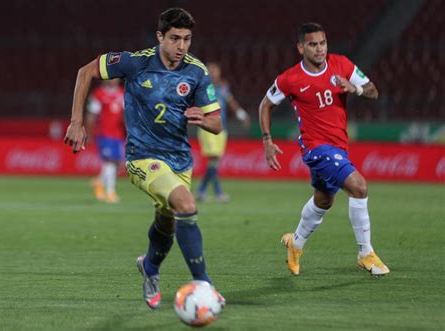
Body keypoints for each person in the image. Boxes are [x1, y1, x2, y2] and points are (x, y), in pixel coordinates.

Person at [64, 8, 226, 308]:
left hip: (180, 161)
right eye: (175, 38)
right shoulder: (135, 63)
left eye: (187, 39)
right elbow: (85, 72)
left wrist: (203, 118)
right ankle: (204, 285)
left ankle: (150, 268)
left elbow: (217, 124)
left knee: (166, 224)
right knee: (186, 205)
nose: (182, 46)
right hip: (142, 158)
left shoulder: (196, 72)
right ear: (160, 37)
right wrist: (76, 121)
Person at [258, 22, 389, 276]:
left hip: (339, 145)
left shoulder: (342, 65)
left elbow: (374, 91)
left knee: (323, 200)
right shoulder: (290, 78)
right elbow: (265, 104)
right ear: (300, 47)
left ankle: (295, 244)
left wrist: (356, 89)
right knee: (359, 187)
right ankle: (366, 254)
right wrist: (267, 140)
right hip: (315, 148)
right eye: (312, 44)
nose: (319, 49)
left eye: (323, 43)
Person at [196, 62, 250, 203]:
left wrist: (241, 114)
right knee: (213, 159)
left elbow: (231, 102)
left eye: (215, 70)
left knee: (214, 162)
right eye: (211, 70)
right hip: (208, 128)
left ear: (219, 72)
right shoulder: (202, 87)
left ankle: (201, 191)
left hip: (222, 129)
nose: (213, 73)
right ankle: (218, 193)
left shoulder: (223, 87)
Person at [85, 79, 125, 203]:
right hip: (104, 133)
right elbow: (91, 115)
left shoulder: (122, 93)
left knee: (118, 164)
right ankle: (110, 193)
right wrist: (88, 133)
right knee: (110, 161)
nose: (115, 79)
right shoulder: (98, 94)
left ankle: (99, 181)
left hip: (118, 134)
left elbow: (126, 113)